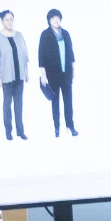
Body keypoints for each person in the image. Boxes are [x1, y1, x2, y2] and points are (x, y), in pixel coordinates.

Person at [0, 9, 29, 142]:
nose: (9, 22)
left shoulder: (19, 35)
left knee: (19, 105)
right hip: (6, 77)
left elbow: (25, 55)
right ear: (2, 21)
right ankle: (8, 131)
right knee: (7, 105)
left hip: (19, 77)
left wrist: (26, 72)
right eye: (7, 19)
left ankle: (20, 131)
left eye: (11, 19)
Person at [36, 8, 75, 138]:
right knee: (55, 101)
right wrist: (43, 74)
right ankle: (57, 127)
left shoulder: (66, 33)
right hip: (53, 74)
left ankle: (70, 126)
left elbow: (71, 53)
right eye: (53, 18)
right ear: (49, 20)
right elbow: (41, 56)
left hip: (66, 73)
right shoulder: (45, 34)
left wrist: (73, 69)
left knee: (68, 101)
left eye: (58, 17)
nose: (56, 20)